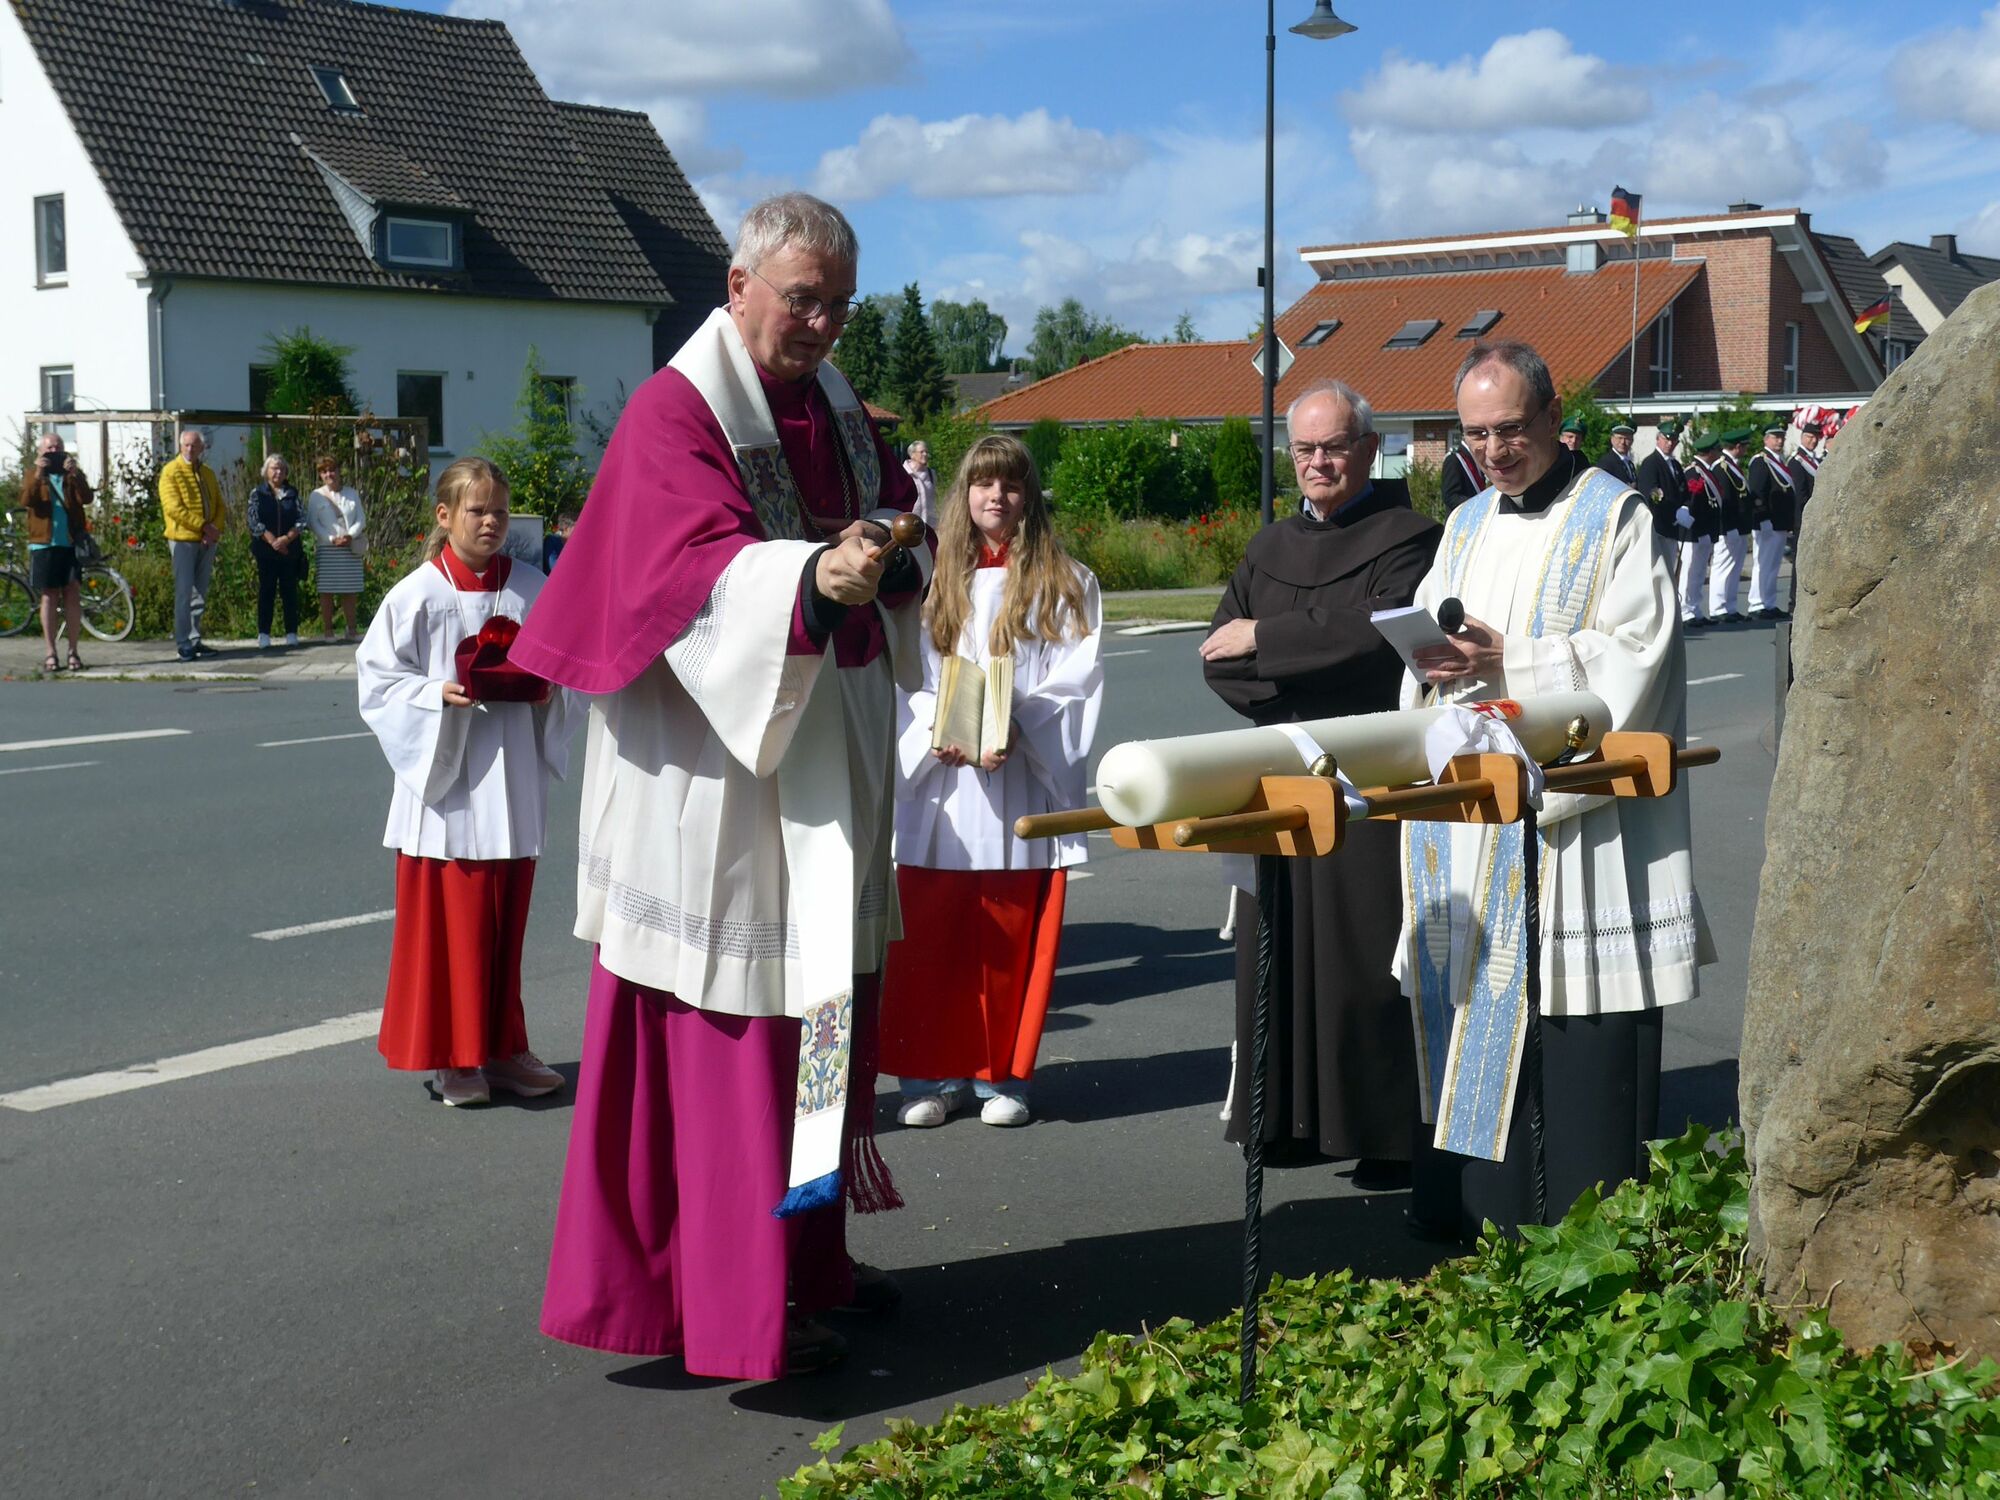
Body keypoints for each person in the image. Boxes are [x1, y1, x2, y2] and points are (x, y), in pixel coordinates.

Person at [517, 192, 930, 1381]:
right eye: (803, 299)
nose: (822, 325)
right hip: (716, 786)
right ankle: (731, 1298)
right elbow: (686, 573)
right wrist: (811, 579)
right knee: (736, 1042)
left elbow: (877, 523)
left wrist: (890, 550)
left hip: (823, 764)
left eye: (839, 305)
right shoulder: (675, 409)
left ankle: (808, 1258)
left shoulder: (832, 404)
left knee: (822, 1020)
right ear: (738, 284)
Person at [1398, 339, 1711, 1240]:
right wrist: (1427, 662)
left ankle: (1590, 1240)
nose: (1492, 451)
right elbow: (1428, 650)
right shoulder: (1465, 525)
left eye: (1509, 429)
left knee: (1578, 1044)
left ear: (1553, 419)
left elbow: (1640, 657)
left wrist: (1514, 661)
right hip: (1480, 819)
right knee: (1482, 1014)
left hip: (1577, 832)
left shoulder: (1615, 517)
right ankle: (1482, 1229)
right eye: (1475, 435)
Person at [1200, 379, 1443, 1183]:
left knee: (1362, 954)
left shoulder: (1409, 538)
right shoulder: (1269, 546)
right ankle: (1286, 1122)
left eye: (1334, 447)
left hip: (1371, 771)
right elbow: (1217, 655)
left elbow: (1378, 638)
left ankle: (1382, 1137)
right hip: (1279, 765)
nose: (1317, 462)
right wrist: (1296, 678)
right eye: (1303, 449)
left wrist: (1266, 642)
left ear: (1369, 450)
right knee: (1277, 944)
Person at [881, 435, 1103, 1130]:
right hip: (941, 791)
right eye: (983, 483)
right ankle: (931, 1076)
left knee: (1009, 938)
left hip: (1018, 783)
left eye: (1010, 484)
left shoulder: (1067, 581)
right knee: (933, 938)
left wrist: (1013, 726)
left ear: (1028, 494)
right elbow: (906, 675)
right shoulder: (932, 579)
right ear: (964, 493)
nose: (996, 496)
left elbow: (1076, 684)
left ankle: (1003, 1077)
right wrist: (937, 728)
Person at [356, 457, 577, 1109]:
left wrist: (552, 692)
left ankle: (504, 1049)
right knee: (453, 932)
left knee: (505, 927)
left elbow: (569, 666)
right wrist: (434, 694)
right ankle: (455, 1058)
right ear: (445, 515)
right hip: (447, 788)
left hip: (512, 778)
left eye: (499, 512)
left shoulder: (534, 588)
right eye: (477, 510)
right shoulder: (416, 594)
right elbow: (377, 682)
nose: (490, 522)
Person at [21, 433, 88, 672]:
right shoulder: (32, 474)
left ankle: (73, 651)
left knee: (72, 592)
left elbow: (87, 498)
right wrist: (39, 474)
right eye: (49, 447)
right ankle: (51, 652)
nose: (53, 450)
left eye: (57, 446)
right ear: (41, 450)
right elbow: (26, 500)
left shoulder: (71, 475)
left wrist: (75, 475)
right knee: (49, 595)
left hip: (69, 543)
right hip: (44, 543)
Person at [159, 428, 225, 661]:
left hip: (206, 540)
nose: (190, 449)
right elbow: (173, 508)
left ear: (202, 448)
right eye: (186, 445)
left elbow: (220, 505)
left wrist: (213, 530)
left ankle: (195, 638)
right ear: (180, 446)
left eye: (194, 445)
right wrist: (204, 526)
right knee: (184, 592)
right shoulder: (171, 471)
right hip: (182, 540)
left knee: (200, 592)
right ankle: (183, 641)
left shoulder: (207, 473)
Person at [247, 454, 306, 648]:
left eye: (281, 468)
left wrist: (286, 539)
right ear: (266, 471)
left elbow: (301, 519)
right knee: (266, 591)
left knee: (289, 591)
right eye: (274, 468)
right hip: (266, 552)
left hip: (289, 551)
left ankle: (291, 632)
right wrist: (272, 540)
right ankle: (264, 633)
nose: (278, 472)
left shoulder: (292, 493)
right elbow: (253, 520)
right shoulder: (258, 493)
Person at [307, 456, 366, 642]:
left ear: (339, 471)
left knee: (350, 590)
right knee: (327, 591)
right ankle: (328, 631)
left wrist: (350, 535)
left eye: (332, 470)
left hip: (349, 548)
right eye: (324, 471)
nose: (329, 474)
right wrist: (331, 538)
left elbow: (361, 519)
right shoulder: (316, 495)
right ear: (320, 475)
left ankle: (352, 629)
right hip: (328, 549)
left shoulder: (352, 493)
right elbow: (312, 522)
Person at [1747, 424, 1795, 620]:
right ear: (1766, 439)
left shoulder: (1778, 461)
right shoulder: (1761, 461)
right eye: (1775, 437)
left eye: (1781, 437)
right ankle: (1757, 603)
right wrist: (1763, 518)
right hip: (1767, 522)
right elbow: (1757, 492)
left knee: (1773, 565)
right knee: (1763, 563)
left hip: (1779, 522)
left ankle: (1769, 602)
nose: (1779, 441)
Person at [1679, 430, 1723, 630]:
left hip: (1704, 530)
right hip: (1692, 532)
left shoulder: (1707, 472)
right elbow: (1690, 503)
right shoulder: (1693, 472)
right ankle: (1684, 610)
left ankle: (1695, 608)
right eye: (1716, 450)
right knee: (1688, 572)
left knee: (1698, 573)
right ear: (1710, 452)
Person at [1633, 419, 1687, 541]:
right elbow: (1650, 494)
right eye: (1666, 439)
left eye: (1674, 440)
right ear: (1658, 439)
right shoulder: (1651, 463)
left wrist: (1684, 508)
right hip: (1658, 526)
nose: (1670, 443)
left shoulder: (1675, 464)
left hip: (1673, 526)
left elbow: (1683, 490)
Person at [1439, 439, 1486, 513]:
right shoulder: (1453, 460)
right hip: (1462, 516)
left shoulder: (1475, 459)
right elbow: (1450, 496)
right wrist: (1476, 505)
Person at [903, 439, 937, 529]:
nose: (925, 454)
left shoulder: (931, 474)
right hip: (909, 524)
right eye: (922, 452)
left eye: (926, 452)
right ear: (912, 454)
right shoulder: (904, 473)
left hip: (929, 525)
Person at [1595, 420, 1638, 486]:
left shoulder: (1629, 463)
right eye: (1619, 438)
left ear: (1632, 440)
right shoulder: (1606, 463)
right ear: (1612, 439)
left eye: (1626, 438)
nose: (1623, 442)